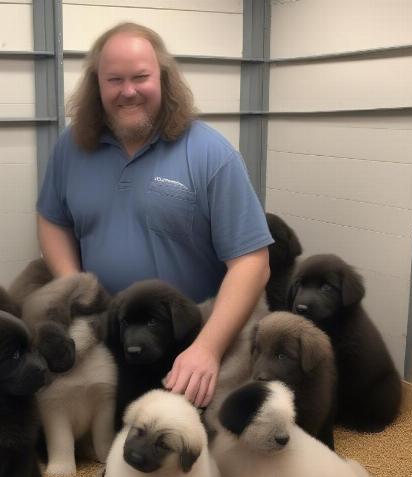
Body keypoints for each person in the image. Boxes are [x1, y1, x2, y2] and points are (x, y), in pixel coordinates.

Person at [36, 22, 273, 408]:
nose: (128, 91)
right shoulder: (71, 148)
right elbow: (51, 219)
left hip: (190, 336)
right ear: (97, 85)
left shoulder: (211, 153)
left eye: (140, 77)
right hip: (107, 328)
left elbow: (252, 262)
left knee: (187, 446)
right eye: (114, 80)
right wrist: (72, 287)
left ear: (163, 78)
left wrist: (208, 349)